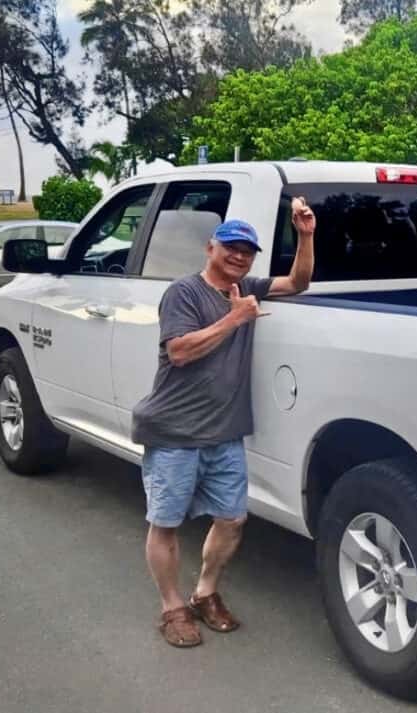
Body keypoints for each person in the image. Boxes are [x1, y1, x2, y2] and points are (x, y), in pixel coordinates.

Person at [131, 203, 315, 647]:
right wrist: (235, 318)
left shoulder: (246, 287)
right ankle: (172, 607)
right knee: (166, 523)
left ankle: (205, 593)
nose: (239, 257)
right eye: (231, 247)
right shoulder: (184, 293)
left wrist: (305, 235)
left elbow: (298, 282)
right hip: (175, 431)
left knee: (232, 520)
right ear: (210, 247)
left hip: (225, 433)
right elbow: (178, 352)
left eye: (248, 251)